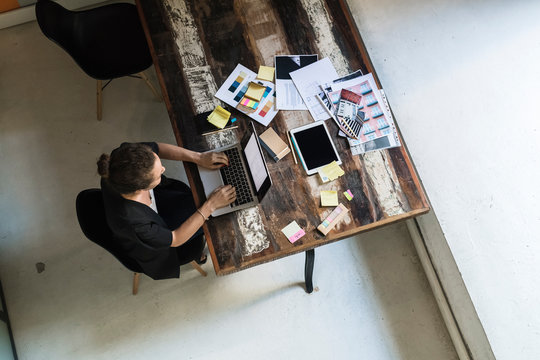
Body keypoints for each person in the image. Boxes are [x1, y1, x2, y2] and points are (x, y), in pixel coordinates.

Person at [96, 142, 236, 280]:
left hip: (158, 206)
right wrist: (211, 205)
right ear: (141, 188)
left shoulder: (122, 159)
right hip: (165, 248)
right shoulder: (135, 223)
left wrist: (198, 157)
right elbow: (175, 238)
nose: (163, 169)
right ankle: (198, 254)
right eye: (157, 175)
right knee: (216, 220)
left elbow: (157, 148)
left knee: (200, 202)